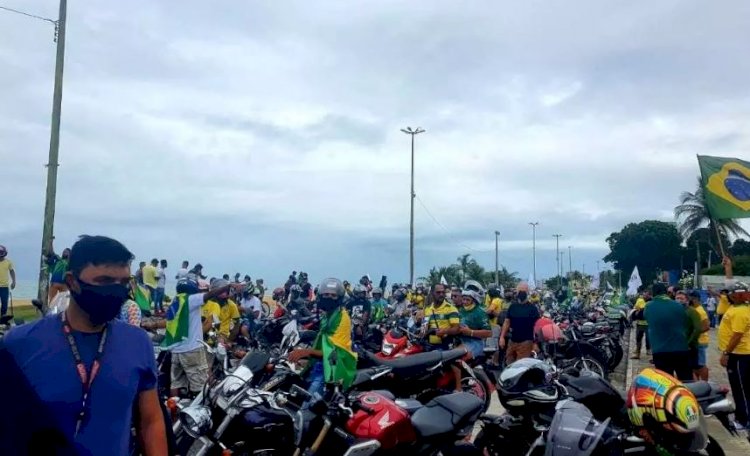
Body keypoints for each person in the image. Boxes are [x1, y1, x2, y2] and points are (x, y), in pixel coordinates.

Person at [1, 235, 167, 455]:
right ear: (71, 281)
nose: (116, 290)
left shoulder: (138, 343)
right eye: (104, 281)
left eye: (124, 283)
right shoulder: (20, 344)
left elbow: (151, 421)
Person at [156, 276, 243, 397]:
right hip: (192, 349)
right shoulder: (191, 299)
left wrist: (151, 324)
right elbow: (210, 300)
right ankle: (200, 411)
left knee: (175, 383)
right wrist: (229, 286)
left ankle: (174, 413)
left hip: (176, 349)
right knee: (202, 386)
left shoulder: (176, 301)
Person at [288, 278, 357, 395]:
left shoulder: (342, 318)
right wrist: (307, 361)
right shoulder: (328, 315)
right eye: (326, 294)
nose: (329, 298)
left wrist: (305, 352)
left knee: (307, 407)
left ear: (339, 298)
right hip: (321, 364)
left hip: (334, 368)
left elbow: (335, 352)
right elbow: (323, 344)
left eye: (333, 295)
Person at [718, 283, 750, 429]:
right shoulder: (735, 308)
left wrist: (726, 353)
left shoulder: (740, 312)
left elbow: (737, 335)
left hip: (739, 355)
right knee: (741, 388)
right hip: (740, 354)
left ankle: (743, 420)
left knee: (740, 389)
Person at [644, 283, 692, 381]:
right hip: (681, 349)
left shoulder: (649, 307)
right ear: (666, 292)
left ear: (653, 293)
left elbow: (648, 319)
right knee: (686, 381)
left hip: (660, 351)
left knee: (665, 382)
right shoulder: (678, 306)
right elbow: (686, 324)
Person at [500, 282, 540, 364]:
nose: (521, 293)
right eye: (519, 291)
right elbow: (507, 322)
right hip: (512, 342)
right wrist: (502, 337)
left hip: (526, 343)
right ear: (516, 292)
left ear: (527, 293)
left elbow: (536, 327)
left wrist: (535, 343)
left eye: (523, 291)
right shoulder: (512, 307)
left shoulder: (533, 308)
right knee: (509, 365)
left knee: (521, 367)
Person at [202, 279, 242, 343]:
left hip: (222, 337)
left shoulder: (231, 305)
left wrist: (229, 340)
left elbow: (236, 324)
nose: (224, 294)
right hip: (206, 335)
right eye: (221, 292)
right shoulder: (207, 304)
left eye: (226, 292)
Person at [422, 284, 461, 348]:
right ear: (432, 293)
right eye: (438, 292)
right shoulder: (427, 309)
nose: (441, 294)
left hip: (445, 345)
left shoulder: (451, 309)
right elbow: (424, 328)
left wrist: (444, 331)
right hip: (428, 345)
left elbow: (457, 329)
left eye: (443, 292)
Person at [458, 290, 492, 359]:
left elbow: (489, 333)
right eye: (463, 299)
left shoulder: (480, 312)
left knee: (459, 359)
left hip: (475, 342)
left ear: (473, 300)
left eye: (468, 300)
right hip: (460, 341)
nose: (465, 302)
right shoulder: (461, 310)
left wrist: (470, 332)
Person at [688, 290, 710, 380]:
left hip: (700, 341)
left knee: (701, 365)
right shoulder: (694, 309)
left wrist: (694, 332)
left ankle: (705, 383)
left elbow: (706, 326)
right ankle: (698, 382)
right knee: (695, 365)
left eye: (690, 299)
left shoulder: (700, 311)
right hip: (696, 341)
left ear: (695, 299)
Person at [630, 287, 651, 360]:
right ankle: (637, 353)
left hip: (649, 324)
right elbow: (635, 309)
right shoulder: (639, 300)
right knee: (638, 339)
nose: (645, 296)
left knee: (649, 339)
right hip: (640, 324)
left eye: (647, 295)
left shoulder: (652, 302)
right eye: (644, 294)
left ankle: (649, 351)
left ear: (649, 295)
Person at [0, 245, 16, 316]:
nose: (1, 257)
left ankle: (3, 317)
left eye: (2, 255)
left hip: (4, 287)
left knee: (4, 303)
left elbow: (12, 271)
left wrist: (14, 281)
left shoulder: (8, 262)